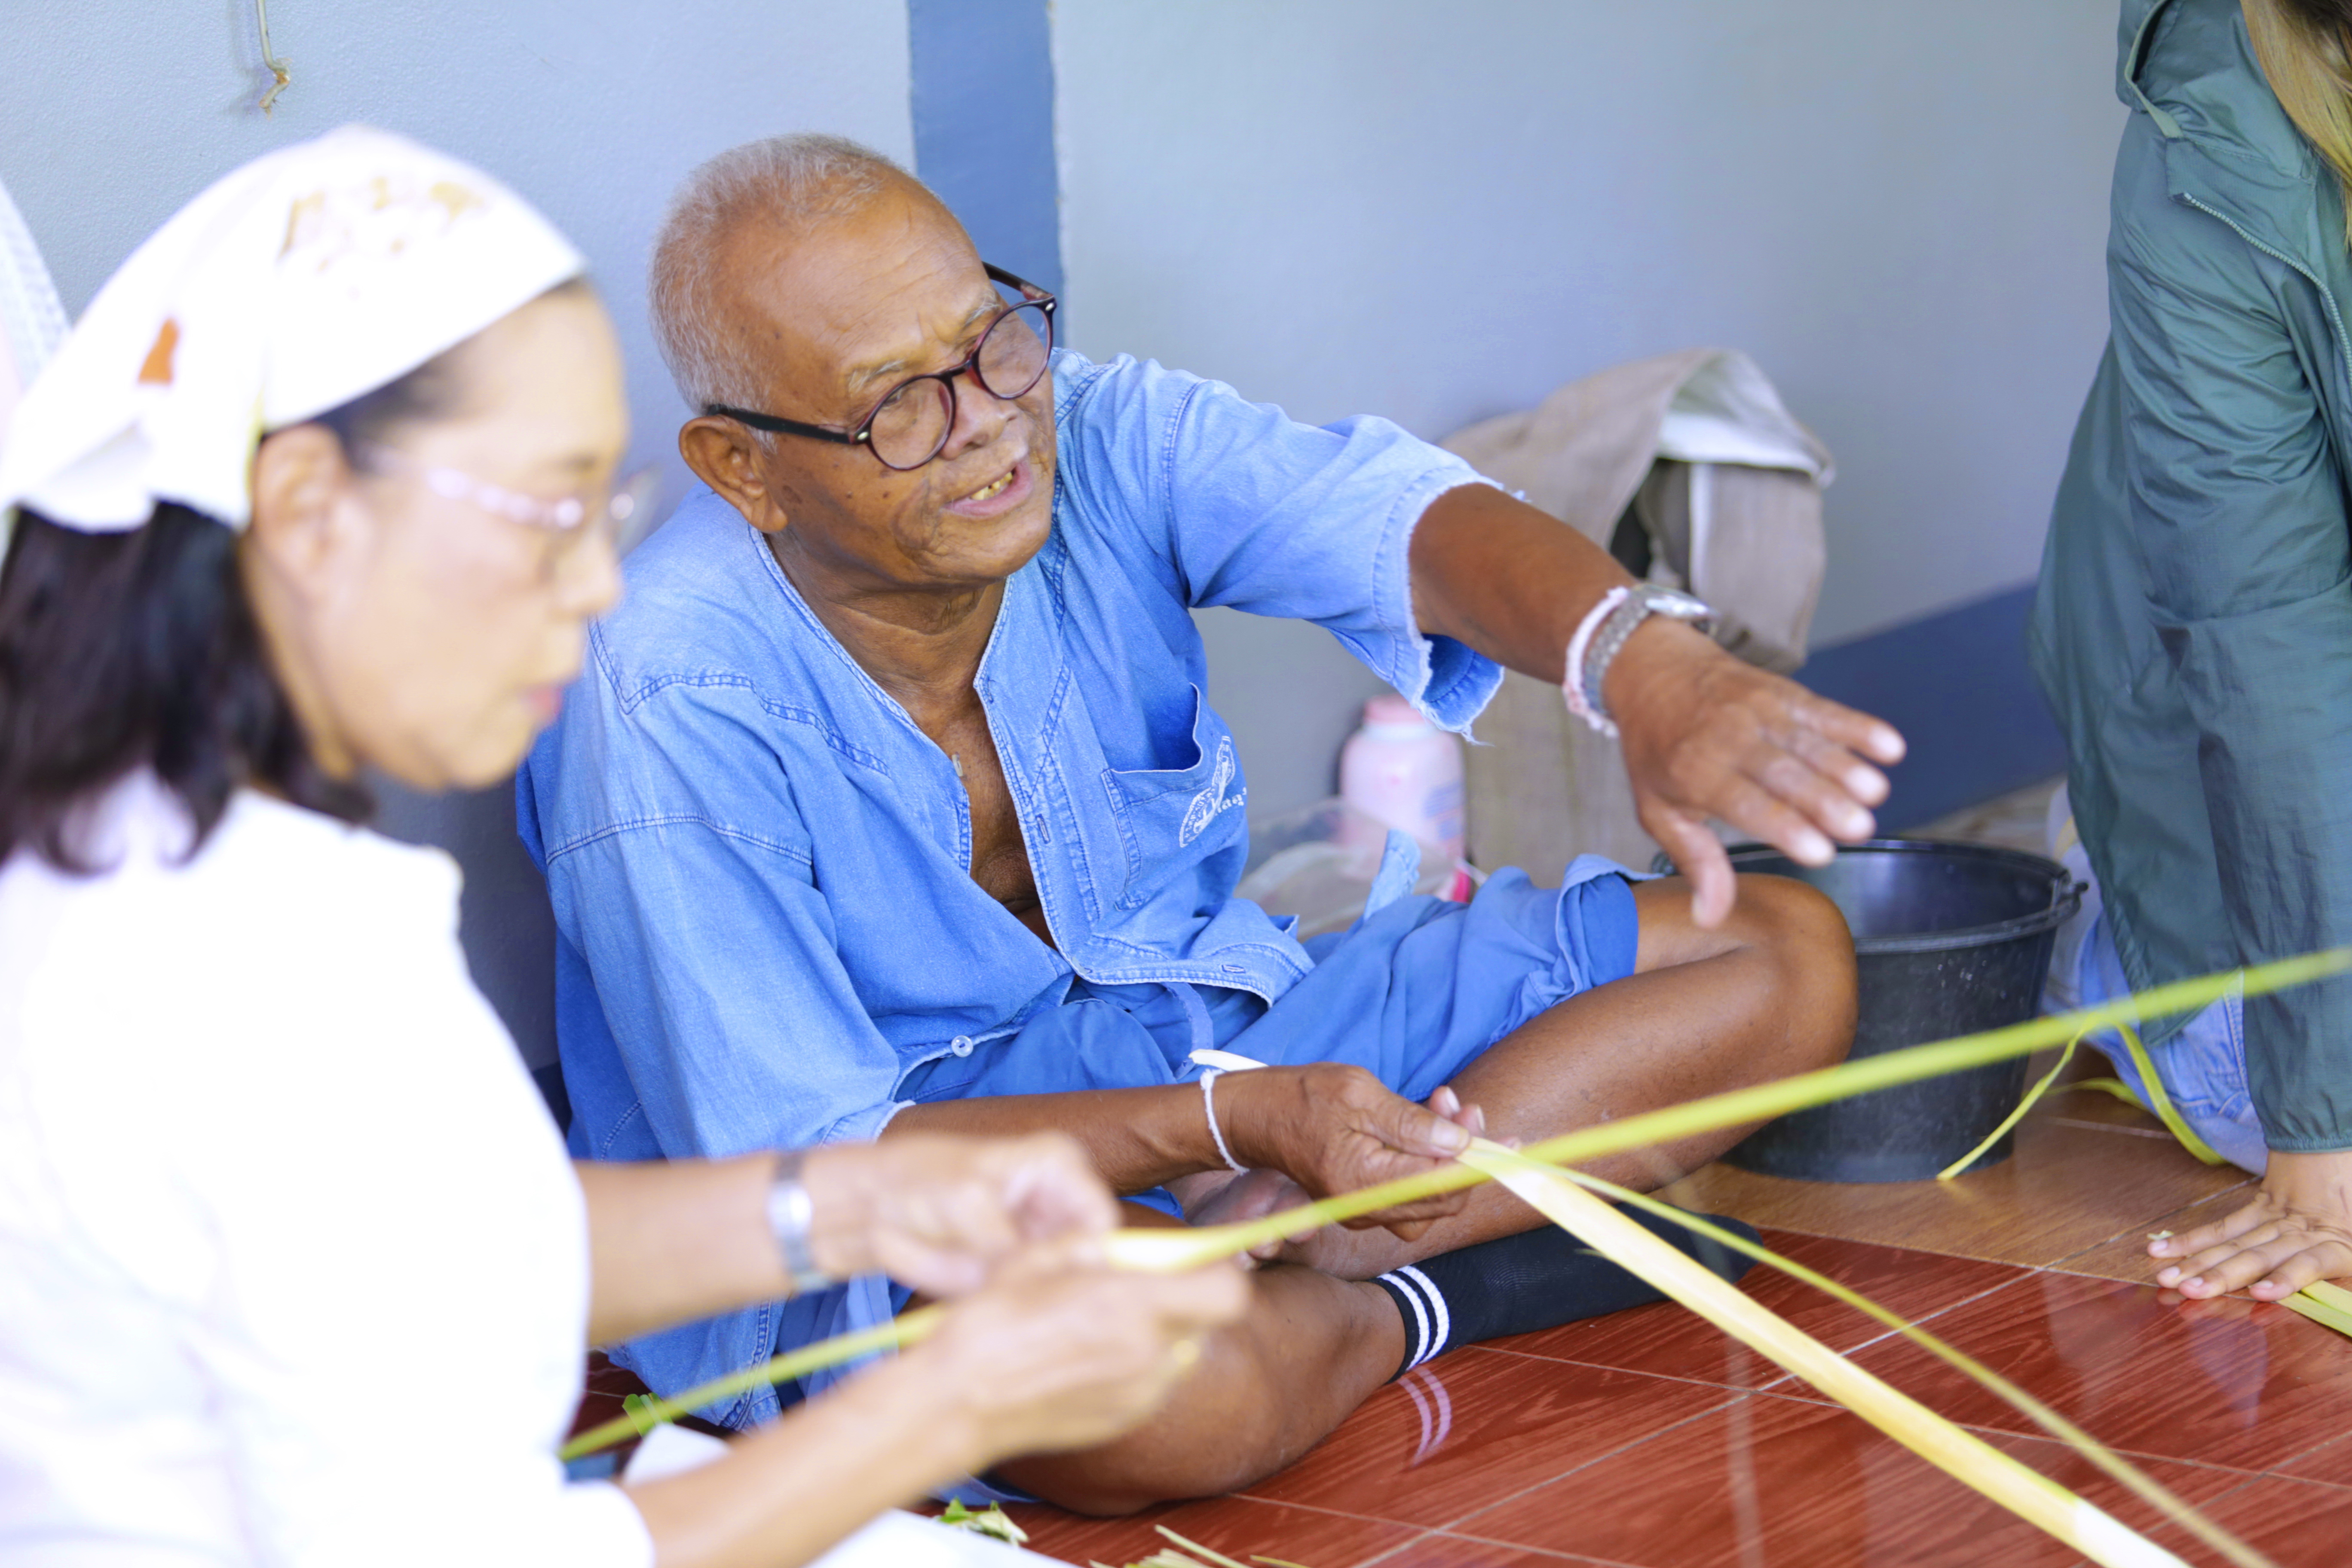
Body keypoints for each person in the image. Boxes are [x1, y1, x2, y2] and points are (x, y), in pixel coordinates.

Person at [523, 134, 1908, 1515]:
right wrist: (1231, 1123)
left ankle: (1321, 1250)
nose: (991, 420)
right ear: (744, 469)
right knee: (1157, 1396)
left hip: (1226, 1045)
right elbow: (826, 1173)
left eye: (992, 341)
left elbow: (1404, 523)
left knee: (1780, 953)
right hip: (933, 1206)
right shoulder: (664, 693)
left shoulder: (1088, 430)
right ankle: (1416, 1298)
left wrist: (1645, 667)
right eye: (899, 406)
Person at [0, 127, 1245, 1567]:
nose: (598, 583)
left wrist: (865, 1201)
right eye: (548, 513)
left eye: (610, 513)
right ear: (309, 514)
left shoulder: (199, 867)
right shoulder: (193, 976)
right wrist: (953, 1402)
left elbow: (452, 1241)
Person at [2031, 0, 2352, 1305]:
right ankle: (2111, 918)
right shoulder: (2217, 141)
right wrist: (2324, 1147)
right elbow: (2277, 653)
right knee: (2260, 1081)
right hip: (2247, 737)